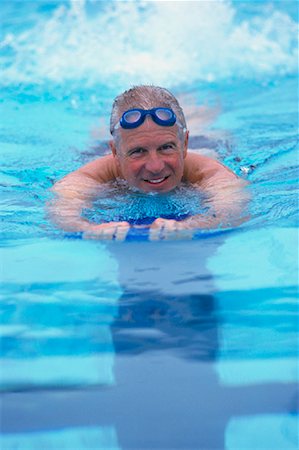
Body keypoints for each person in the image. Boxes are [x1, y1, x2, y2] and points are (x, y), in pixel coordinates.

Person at [50, 85, 248, 240]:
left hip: (207, 142)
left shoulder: (212, 173)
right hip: (100, 150)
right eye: (138, 152)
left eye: (166, 147)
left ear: (185, 144)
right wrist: (88, 229)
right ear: (115, 153)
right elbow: (63, 212)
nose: (155, 166)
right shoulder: (88, 177)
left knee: (205, 123)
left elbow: (231, 209)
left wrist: (191, 226)